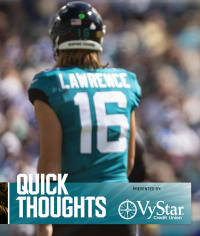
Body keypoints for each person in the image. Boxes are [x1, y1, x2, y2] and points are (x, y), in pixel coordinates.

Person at [28, 2, 140, 236]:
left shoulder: (50, 83)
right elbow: (129, 162)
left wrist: (43, 224)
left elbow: (50, 166)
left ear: (57, 40)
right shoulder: (126, 81)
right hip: (120, 205)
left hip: (73, 207)